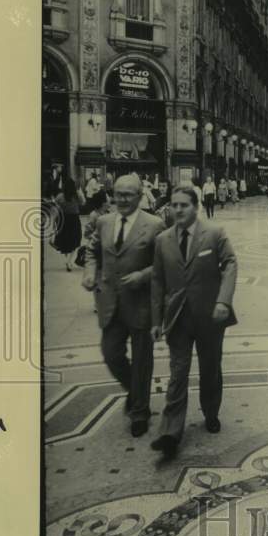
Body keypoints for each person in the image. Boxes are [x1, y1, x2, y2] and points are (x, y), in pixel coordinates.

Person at [150, 186, 238, 458]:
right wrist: (156, 320)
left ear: (195, 207)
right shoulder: (162, 240)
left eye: (183, 205)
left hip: (210, 316)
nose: (177, 210)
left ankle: (211, 412)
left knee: (210, 368)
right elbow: (157, 281)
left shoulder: (214, 233)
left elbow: (231, 263)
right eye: (173, 205)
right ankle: (170, 431)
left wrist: (223, 301)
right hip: (177, 317)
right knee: (178, 374)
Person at [81, 174, 165, 437]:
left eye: (128, 194)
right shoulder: (104, 222)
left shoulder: (154, 225)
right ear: (112, 195)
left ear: (140, 196)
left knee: (142, 361)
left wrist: (143, 276)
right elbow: (93, 251)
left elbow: (165, 264)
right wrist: (90, 272)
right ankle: (136, 391)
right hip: (110, 302)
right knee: (111, 354)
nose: (122, 199)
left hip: (141, 304)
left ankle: (140, 412)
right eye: (118, 194)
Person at [52, 177, 83, 271]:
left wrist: (54, 220)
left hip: (63, 219)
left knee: (65, 240)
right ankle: (69, 261)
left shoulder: (60, 196)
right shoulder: (77, 195)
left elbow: (55, 207)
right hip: (74, 219)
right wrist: (80, 192)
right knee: (75, 240)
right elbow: (83, 203)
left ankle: (67, 261)